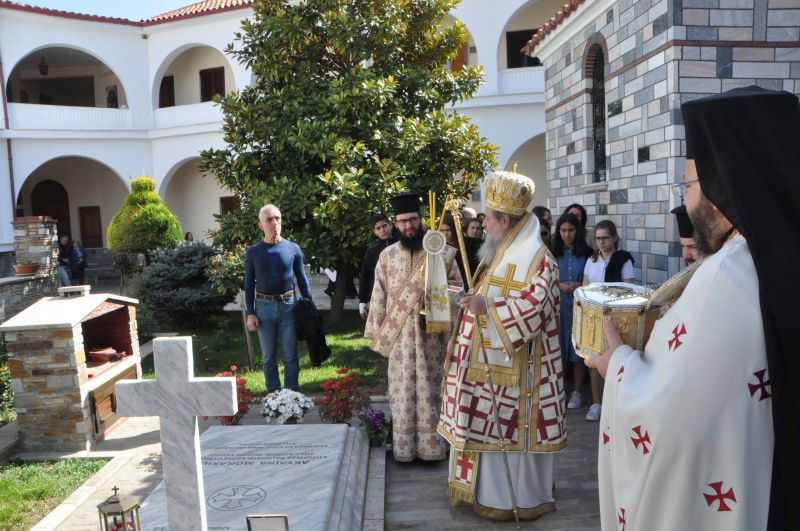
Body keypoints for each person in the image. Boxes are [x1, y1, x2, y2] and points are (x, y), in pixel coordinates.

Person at [591, 86, 800, 530]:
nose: (685, 201)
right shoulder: (776, 257)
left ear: (722, 187)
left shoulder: (729, 275)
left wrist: (618, 367)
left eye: (688, 184)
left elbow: (675, 412)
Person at [438, 170, 566, 521]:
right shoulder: (499, 252)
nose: (485, 224)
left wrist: (489, 308)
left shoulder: (540, 259)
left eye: (489, 219)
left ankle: (516, 499)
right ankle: (479, 492)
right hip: (484, 369)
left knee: (506, 435)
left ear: (505, 220)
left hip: (520, 378)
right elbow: (486, 293)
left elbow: (536, 308)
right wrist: (468, 299)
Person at [365, 192, 462, 462]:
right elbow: (379, 295)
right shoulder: (387, 256)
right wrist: (377, 331)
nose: (408, 226)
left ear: (421, 220)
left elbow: (458, 289)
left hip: (434, 335)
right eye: (402, 222)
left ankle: (435, 448)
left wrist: (438, 299)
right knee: (403, 391)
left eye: (412, 220)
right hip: (401, 338)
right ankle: (405, 450)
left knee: (433, 389)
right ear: (395, 224)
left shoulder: (442, 251)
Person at [244, 204, 313, 393]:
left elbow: (302, 279)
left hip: (288, 307)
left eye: (278, 218)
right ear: (261, 225)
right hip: (263, 308)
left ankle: (292, 397)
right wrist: (250, 313)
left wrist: (309, 305)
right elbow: (249, 284)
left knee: (291, 356)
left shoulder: (292, 248)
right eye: (269, 219)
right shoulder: (253, 252)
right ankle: (274, 398)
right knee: (268, 358)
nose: (275, 223)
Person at [582, 219, 635, 422]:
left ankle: (615, 404)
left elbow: (629, 288)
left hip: (617, 317)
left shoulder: (624, 259)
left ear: (614, 238)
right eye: (598, 238)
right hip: (594, 315)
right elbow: (585, 286)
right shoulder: (592, 260)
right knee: (594, 359)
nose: (601, 242)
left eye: (605, 238)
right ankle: (597, 403)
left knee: (616, 359)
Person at [552, 213, 592, 410]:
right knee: (558, 346)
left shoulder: (587, 252)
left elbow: (592, 276)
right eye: (563, 231)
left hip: (578, 306)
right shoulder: (551, 251)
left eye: (571, 230)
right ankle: (559, 389)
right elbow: (544, 275)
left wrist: (580, 284)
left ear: (578, 231)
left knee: (578, 348)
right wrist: (559, 285)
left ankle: (576, 391)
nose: (567, 234)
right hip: (557, 306)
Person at [358, 213, 396, 320]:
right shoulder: (372, 251)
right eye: (378, 228)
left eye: (384, 226)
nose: (382, 230)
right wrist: (362, 301)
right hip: (378, 297)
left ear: (391, 225)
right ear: (374, 231)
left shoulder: (402, 246)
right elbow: (365, 277)